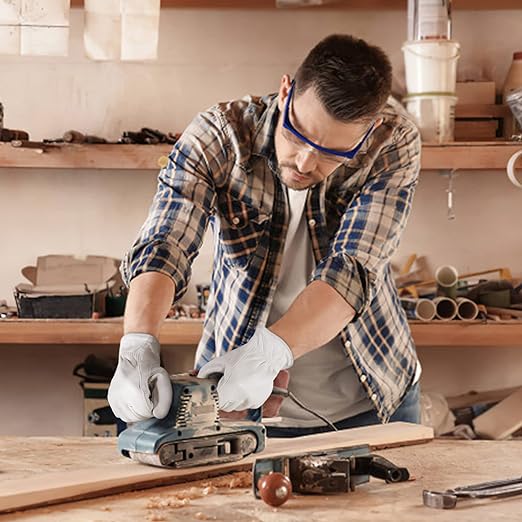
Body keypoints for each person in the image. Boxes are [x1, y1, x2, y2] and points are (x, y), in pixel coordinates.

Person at [108, 33, 422, 438]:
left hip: (372, 399)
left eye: (333, 154)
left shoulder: (392, 143)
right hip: (236, 399)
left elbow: (352, 269)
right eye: (298, 134)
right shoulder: (220, 135)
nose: (306, 162)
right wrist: (137, 341)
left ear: (368, 131)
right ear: (286, 90)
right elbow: (166, 241)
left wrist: (269, 353)